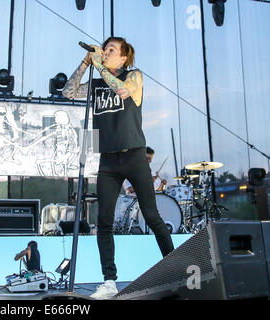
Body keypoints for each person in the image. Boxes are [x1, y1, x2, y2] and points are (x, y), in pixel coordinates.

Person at [62, 37, 174, 299]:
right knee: (104, 221)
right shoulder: (97, 83)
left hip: (134, 156)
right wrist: (85, 62)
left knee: (151, 215)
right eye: (105, 48)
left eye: (111, 49)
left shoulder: (134, 76)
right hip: (108, 160)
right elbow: (68, 92)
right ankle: (109, 280)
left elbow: (122, 91)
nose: (106, 51)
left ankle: (174, 267)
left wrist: (100, 65)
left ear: (123, 58)